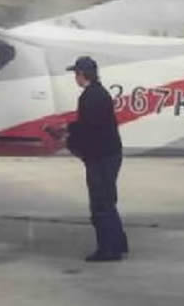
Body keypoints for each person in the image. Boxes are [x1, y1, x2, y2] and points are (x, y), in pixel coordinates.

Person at [55, 56, 129, 261]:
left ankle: (108, 250)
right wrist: (69, 127)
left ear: (82, 74)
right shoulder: (98, 93)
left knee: (100, 203)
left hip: (101, 156)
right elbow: (90, 123)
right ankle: (119, 243)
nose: (74, 78)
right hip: (109, 153)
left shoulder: (90, 96)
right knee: (108, 200)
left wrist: (68, 139)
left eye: (75, 74)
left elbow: (90, 129)